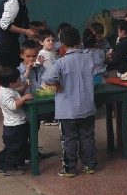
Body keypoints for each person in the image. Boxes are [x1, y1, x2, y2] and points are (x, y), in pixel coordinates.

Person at [42, 27, 104, 177]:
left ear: (62, 44)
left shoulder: (61, 62)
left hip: (67, 110)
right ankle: (89, 165)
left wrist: (58, 86)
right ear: (79, 41)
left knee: (69, 139)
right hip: (87, 107)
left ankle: (70, 168)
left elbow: (48, 78)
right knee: (87, 137)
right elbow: (98, 73)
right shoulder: (88, 58)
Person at [0, 67, 33, 176]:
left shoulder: (9, 89)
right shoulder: (5, 93)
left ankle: (3, 161)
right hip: (14, 126)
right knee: (15, 148)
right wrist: (24, 98)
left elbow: (18, 93)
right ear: (11, 83)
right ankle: (9, 167)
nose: (20, 80)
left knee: (12, 146)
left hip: (17, 124)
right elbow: (13, 106)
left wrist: (25, 87)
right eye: (18, 79)